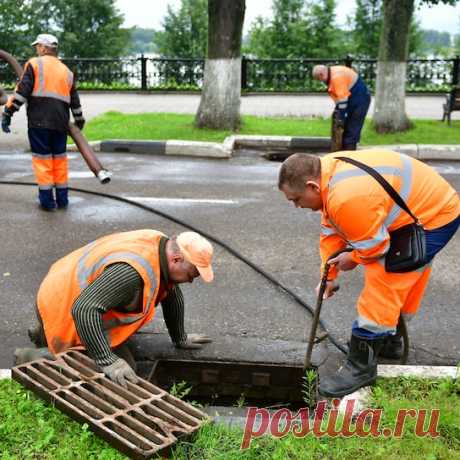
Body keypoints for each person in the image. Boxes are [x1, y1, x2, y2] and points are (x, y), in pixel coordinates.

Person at [278, 150, 460, 397]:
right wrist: (328, 275)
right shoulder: (328, 174)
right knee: (397, 273)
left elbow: (375, 248)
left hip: (434, 216)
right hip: (415, 209)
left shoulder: (346, 197)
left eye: (296, 199)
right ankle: (389, 340)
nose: (297, 206)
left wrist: (351, 258)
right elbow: (331, 232)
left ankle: (361, 367)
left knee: (387, 275)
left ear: (312, 185)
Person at [15, 229, 215, 388]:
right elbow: (84, 309)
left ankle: (43, 331)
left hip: (63, 289)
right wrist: (107, 360)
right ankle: (33, 357)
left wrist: (180, 337)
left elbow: (171, 293)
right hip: (64, 308)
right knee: (123, 373)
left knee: (119, 360)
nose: (190, 281)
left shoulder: (161, 246)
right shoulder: (131, 273)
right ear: (176, 259)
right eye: (192, 273)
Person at [1, 33, 85, 210]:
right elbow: (75, 100)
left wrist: (8, 112)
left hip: (39, 123)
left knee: (43, 162)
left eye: (38, 46)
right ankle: (62, 200)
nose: (37, 49)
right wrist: (79, 121)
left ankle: (47, 202)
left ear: (45, 48)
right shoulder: (66, 71)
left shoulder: (34, 64)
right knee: (59, 161)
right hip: (61, 125)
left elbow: (22, 93)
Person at [312, 64, 371, 151]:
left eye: (319, 79)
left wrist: (341, 117)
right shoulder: (332, 73)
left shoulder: (336, 77)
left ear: (321, 75)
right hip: (355, 98)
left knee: (352, 131)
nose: (321, 81)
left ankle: (349, 156)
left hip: (360, 100)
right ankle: (345, 152)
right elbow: (339, 99)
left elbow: (343, 100)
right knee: (347, 130)